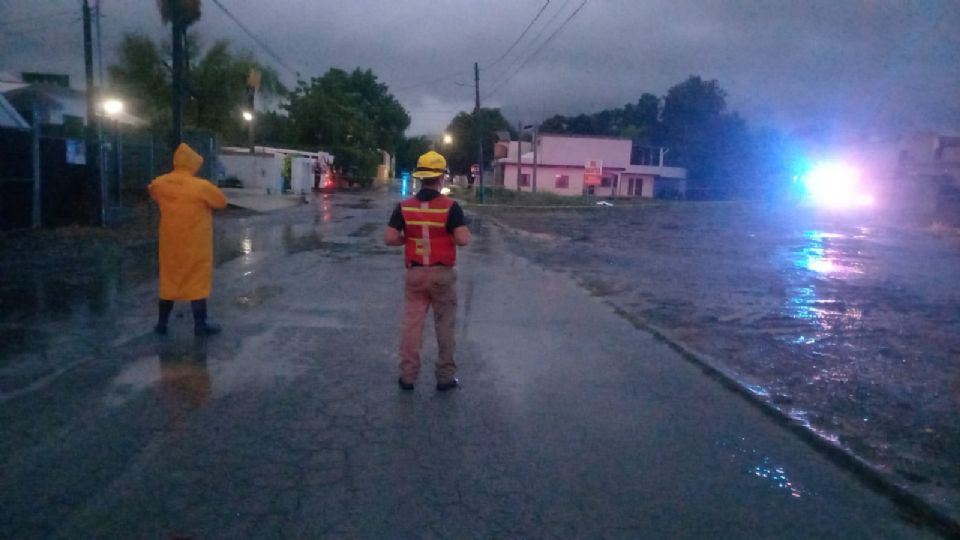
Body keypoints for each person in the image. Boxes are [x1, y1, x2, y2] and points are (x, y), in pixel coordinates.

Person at [384, 150, 471, 391]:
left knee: (412, 326)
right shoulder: (450, 207)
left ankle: (407, 377)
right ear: (441, 176)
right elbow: (463, 240)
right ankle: (445, 378)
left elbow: (389, 238)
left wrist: (408, 240)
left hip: (415, 274)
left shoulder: (404, 207)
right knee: (444, 327)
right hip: (442, 275)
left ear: (421, 176)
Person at [148, 143, 228, 336]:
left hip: (170, 242)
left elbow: (152, 190)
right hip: (195, 242)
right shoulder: (201, 187)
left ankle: (162, 323)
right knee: (196, 281)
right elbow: (221, 202)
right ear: (193, 164)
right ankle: (200, 324)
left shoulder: (161, 183)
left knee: (169, 279)